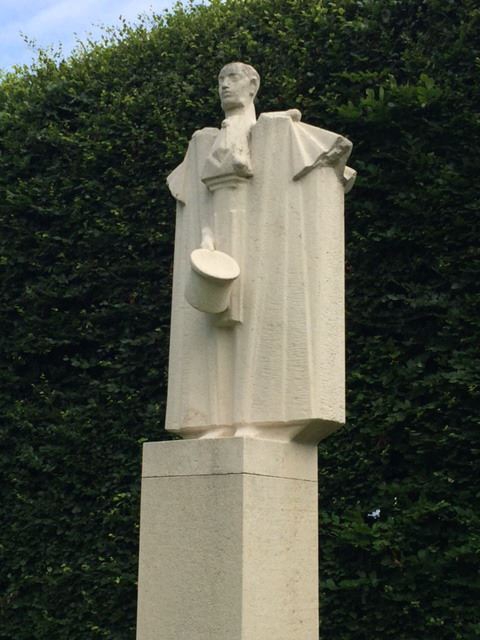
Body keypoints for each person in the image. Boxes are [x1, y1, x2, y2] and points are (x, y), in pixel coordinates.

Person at [166, 63, 355, 442]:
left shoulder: (278, 131)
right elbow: (198, 199)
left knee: (260, 330)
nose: (224, 86)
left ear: (253, 85)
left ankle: (256, 419)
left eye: (232, 79)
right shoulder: (206, 141)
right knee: (216, 335)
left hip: (262, 245)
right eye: (220, 80)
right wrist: (206, 234)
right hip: (220, 245)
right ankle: (215, 421)